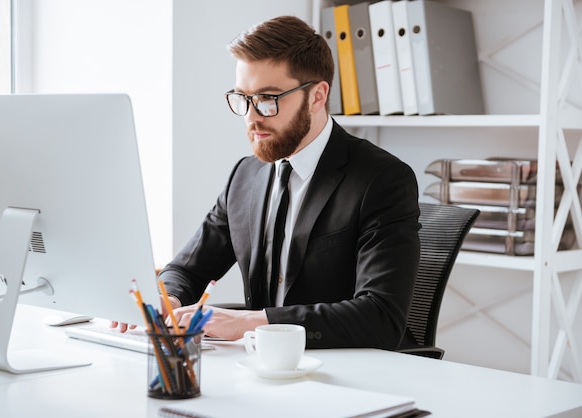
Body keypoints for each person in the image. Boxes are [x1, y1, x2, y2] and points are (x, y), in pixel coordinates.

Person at [158, 15, 420, 350]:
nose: (252, 117)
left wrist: (250, 323)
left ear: (317, 96)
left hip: (347, 372)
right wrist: (169, 299)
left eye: (268, 98)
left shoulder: (382, 180)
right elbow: (187, 271)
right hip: (262, 369)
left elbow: (380, 316)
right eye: (243, 98)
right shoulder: (245, 176)